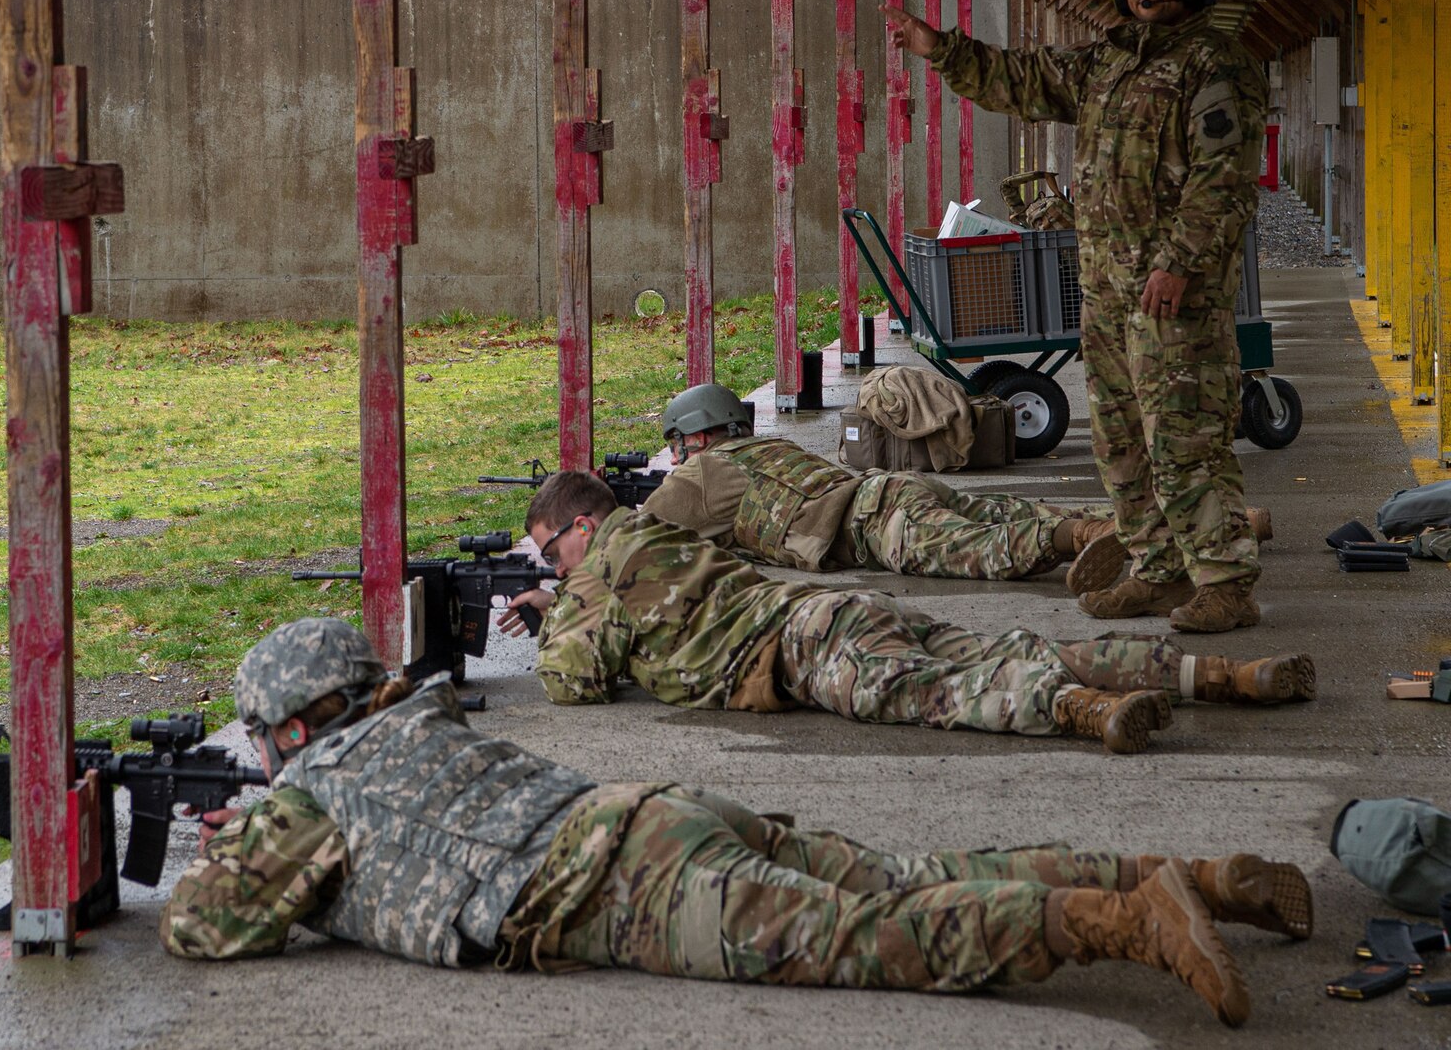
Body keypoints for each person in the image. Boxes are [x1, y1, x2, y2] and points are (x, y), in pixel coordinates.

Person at [162, 617, 1315, 1028]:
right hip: (658, 813)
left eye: (266, 736)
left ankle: (1122, 921)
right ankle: (1195, 869)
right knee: (903, 872)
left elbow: (207, 927)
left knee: (866, 941)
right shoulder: (419, 721)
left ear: (298, 724)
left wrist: (232, 841)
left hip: (613, 884)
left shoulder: (313, 787)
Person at [886, 0, 1267, 631]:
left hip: (1174, 296)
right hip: (1108, 293)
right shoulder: (1108, 61)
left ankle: (1226, 581)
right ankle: (1158, 569)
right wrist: (940, 47)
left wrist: (1178, 261)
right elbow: (1024, 79)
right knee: (1119, 440)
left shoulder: (1216, 66)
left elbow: (1226, 179)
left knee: (1184, 436)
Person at [500, 472, 1311, 755]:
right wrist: (562, 592)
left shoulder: (596, 572)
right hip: (830, 605)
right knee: (1003, 644)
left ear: (581, 527)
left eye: (550, 553)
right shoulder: (652, 529)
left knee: (940, 692)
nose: (551, 567)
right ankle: (1220, 675)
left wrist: (551, 609)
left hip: (803, 647)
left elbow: (572, 682)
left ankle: (1079, 710)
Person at [644, 382, 1269, 604]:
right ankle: (1223, 523)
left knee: (990, 549)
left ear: (692, 440)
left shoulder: (696, 477)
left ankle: (1089, 537)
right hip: (894, 489)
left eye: (677, 446)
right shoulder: (761, 450)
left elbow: (638, 541)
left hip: (871, 527)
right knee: (1019, 509)